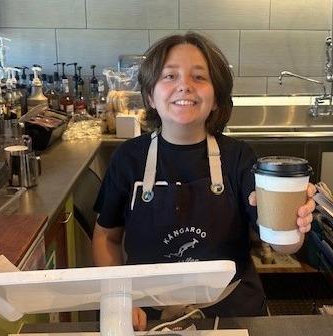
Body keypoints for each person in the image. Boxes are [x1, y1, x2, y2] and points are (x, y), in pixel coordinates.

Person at [92, 32, 316, 330]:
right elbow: (105, 237)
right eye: (169, 76)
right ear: (150, 96)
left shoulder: (239, 157)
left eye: (199, 77)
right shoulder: (128, 158)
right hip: (147, 316)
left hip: (233, 312)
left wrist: (293, 225)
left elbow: (281, 245)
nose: (184, 84)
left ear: (216, 100)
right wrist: (121, 298)